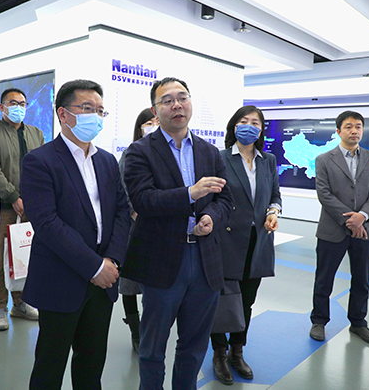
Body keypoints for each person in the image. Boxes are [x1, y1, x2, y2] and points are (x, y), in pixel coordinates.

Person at [122, 77, 234, 389]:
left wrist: (210, 217)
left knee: (194, 345)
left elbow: (226, 199)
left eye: (182, 97)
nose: (177, 105)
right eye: (168, 100)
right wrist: (190, 193)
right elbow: (143, 200)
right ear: (155, 111)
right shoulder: (139, 152)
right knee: (152, 347)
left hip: (205, 259)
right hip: (162, 260)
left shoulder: (210, 152)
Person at [20, 79, 130, 389]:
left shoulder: (107, 161)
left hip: (104, 281)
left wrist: (111, 261)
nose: (96, 116)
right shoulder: (40, 161)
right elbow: (47, 223)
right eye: (87, 108)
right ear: (63, 114)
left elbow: (122, 212)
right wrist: (94, 266)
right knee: (49, 367)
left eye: (100, 110)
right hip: (60, 279)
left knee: (91, 365)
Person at [210, 105, 281, 384]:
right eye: (243, 121)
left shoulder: (268, 160)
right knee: (222, 299)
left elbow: (275, 194)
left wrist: (273, 212)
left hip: (257, 241)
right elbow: (213, 198)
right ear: (234, 126)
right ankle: (219, 353)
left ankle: (237, 351)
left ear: (261, 130)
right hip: (226, 240)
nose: (249, 126)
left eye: (255, 122)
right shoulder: (220, 158)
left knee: (247, 301)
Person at [309, 110, 369, 345]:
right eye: (349, 127)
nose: (354, 131)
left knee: (361, 279)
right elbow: (324, 194)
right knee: (324, 278)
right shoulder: (324, 159)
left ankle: (358, 322)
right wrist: (350, 220)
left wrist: (362, 216)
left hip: (364, 230)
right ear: (338, 131)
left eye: (358, 126)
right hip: (332, 230)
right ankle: (319, 321)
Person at [0, 87, 44, 331]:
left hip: (31, 208)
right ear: (2, 107)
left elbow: (42, 167)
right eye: (13, 103)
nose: (18, 107)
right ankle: (0, 308)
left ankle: (20, 304)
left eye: (22, 103)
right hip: (3, 208)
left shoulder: (36, 133)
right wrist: (13, 196)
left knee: (23, 259)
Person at [117, 108, 158, 352]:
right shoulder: (131, 153)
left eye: (156, 122)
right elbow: (122, 188)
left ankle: (151, 329)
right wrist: (135, 213)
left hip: (160, 228)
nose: (153, 126)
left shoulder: (166, 153)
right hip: (134, 228)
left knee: (156, 282)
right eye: (148, 122)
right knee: (130, 283)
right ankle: (135, 329)